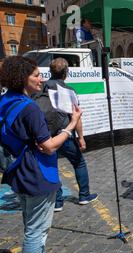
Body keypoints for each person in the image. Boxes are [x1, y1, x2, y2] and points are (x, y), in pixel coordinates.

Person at [0, 56, 82, 253]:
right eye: (36, 75)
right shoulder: (30, 108)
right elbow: (49, 146)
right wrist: (71, 125)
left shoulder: (5, 101)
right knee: (37, 229)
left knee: (31, 222)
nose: (41, 78)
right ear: (21, 78)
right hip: (37, 173)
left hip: (16, 172)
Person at [35, 58, 98, 211]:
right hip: (66, 134)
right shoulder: (69, 91)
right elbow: (76, 117)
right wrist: (81, 137)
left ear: (50, 71)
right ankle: (84, 195)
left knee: (52, 167)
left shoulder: (39, 88)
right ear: (66, 73)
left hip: (46, 136)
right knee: (79, 163)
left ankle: (57, 202)